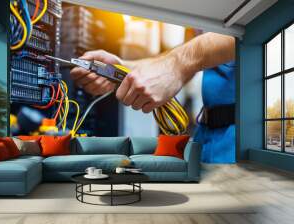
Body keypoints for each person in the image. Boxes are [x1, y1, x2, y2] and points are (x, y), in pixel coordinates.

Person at [70, 32, 236, 163]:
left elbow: (241, 31)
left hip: (235, 143)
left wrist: (178, 64)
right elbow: (196, 57)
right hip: (208, 137)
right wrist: (123, 70)